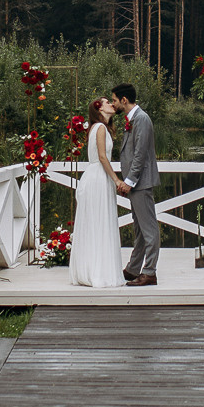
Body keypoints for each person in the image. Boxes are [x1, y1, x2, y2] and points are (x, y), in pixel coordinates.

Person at [69, 97, 125, 288]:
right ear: (99, 108)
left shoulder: (99, 128)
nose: (112, 104)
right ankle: (96, 271)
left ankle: (92, 268)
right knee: (99, 222)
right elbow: (102, 157)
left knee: (96, 223)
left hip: (96, 177)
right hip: (98, 178)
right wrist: (116, 179)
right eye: (107, 102)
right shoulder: (100, 128)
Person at [111, 83, 161, 286]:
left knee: (149, 228)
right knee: (139, 228)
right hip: (136, 183)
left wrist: (129, 181)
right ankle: (133, 269)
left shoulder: (141, 119)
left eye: (114, 99)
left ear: (124, 100)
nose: (113, 103)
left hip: (140, 182)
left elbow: (140, 154)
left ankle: (149, 272)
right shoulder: (132, 120)